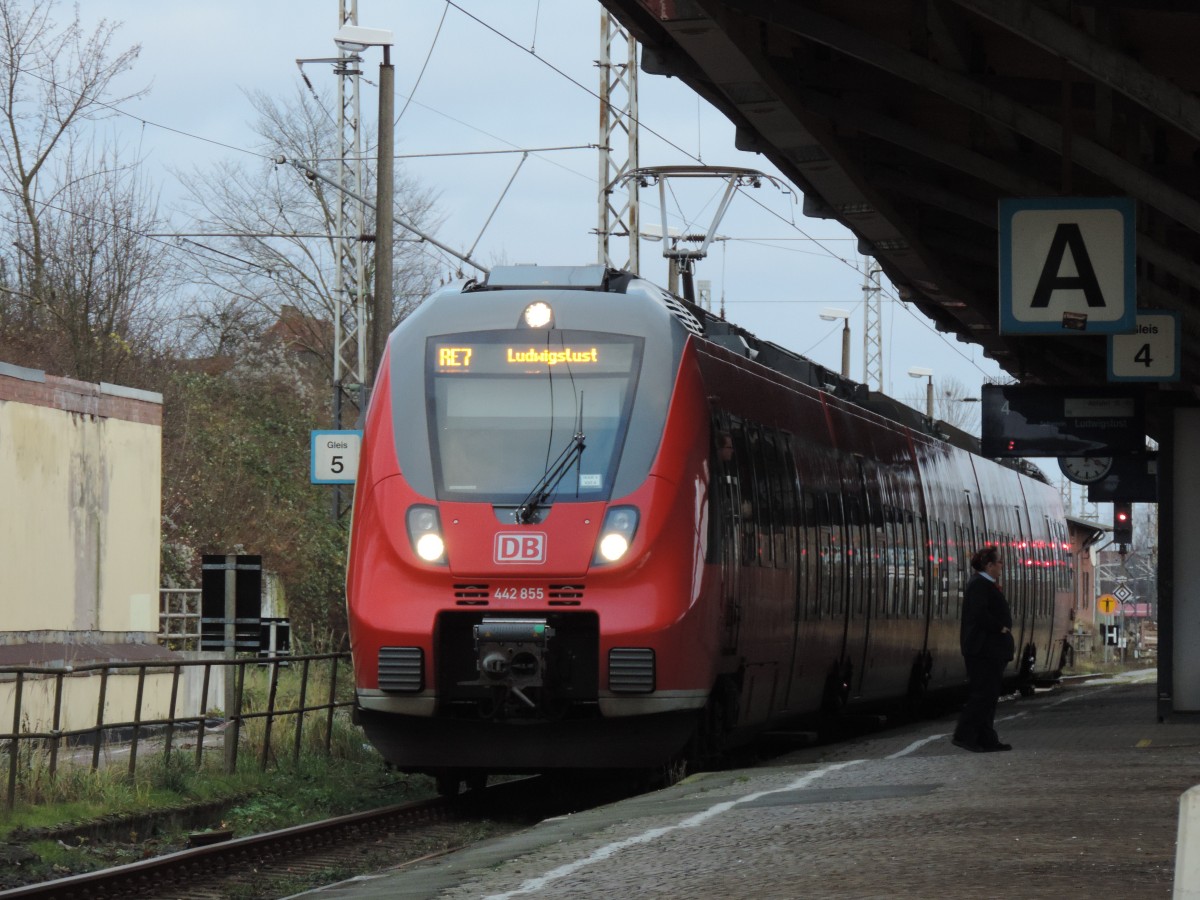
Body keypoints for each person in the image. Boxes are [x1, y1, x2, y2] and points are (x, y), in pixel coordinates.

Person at [952, 544, 1015, 753]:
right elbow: (979, 613)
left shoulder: (984, 583)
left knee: (989, 695)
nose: (1001, 566)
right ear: (989, 565)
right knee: (983, 694)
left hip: (989, 650)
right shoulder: (979, 584)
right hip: (982, 650)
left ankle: (986, 738)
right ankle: (964, 735)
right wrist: (1000, 627)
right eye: (999, 562)